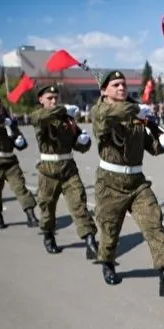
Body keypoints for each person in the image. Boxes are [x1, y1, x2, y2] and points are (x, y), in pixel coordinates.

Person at [89, 70, 164, 298]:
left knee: (154, 224)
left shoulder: (137, 112)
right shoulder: (100, 111)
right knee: (110, 229)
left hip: (137, 182)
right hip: (110, 183)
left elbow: (152, 148)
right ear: (104, 91)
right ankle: (107, 262)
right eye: (116, 85)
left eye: (123, 84)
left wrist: (163, 142)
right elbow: (106, 118)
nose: (122, 88)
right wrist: (136, 110)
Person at [30, 85, 98, 259]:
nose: (53, 101)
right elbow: (38, 118)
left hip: (68, 169)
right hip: (48, 172)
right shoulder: (39, 116)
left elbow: (80, 146)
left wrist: (83, 140)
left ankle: (90, 240)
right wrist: (62, 110)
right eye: (50, 98)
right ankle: (48, 234)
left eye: (56, 98)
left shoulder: (67, 119)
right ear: (41, 100)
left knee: (79, 204)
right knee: (47, 208)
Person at [0, 95, 39, 229]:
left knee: (21, 188)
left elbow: (22, 144)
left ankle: (31, 216)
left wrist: (20, 141)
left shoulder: (9, 123)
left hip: (10, 162)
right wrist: (3, 121)